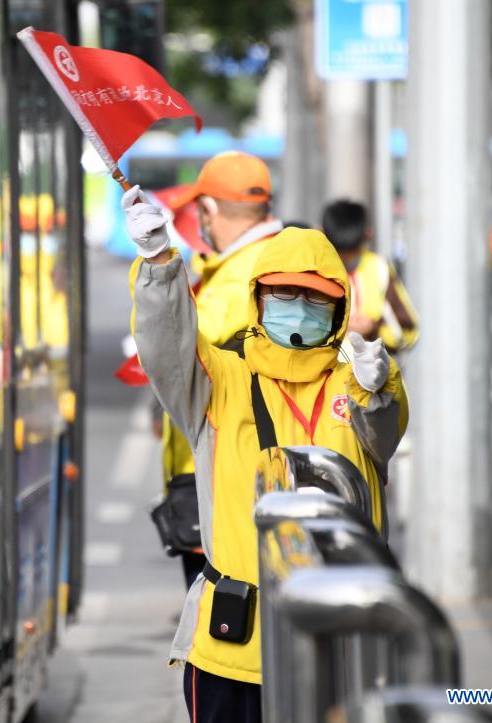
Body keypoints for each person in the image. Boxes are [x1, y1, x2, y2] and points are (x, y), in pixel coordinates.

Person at [124, 192, 409, 723]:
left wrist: (384, 387)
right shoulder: (221, 379)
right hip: (233, 651)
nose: (297, 307)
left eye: (314, 298)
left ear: (340, 307)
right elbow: (167, 347)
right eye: (283, 293)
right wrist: (161, 264)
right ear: (259, 299)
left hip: (340, 645)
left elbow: (386, 435)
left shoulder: (359, 382)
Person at [159, 151, 283, 589]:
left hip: (221, 486)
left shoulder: (232, 285)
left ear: (209, 209)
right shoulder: (277, 260)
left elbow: (176, 365)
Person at [322, 199, 419, 353]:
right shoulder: (318, 270)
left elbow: (409, 331)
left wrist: (373, 329)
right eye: (340, 251)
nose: (345, 259)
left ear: (367, 236)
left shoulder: (379, 268)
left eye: (351, 251)